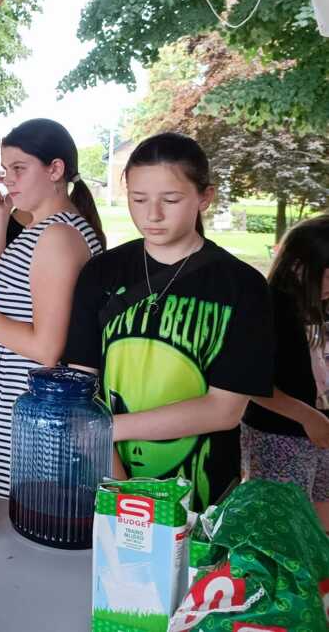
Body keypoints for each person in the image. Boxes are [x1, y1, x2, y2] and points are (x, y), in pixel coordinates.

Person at [64, 132, 273, 512]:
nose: (152, 214)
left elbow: (224, 410)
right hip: (110, 481)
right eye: (138, 199)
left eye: (171, 200)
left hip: (202, 498)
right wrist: (124, 493)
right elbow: (81, 389)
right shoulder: (100, 274)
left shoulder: (242, 286)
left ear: (204, 197)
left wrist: (109, 429)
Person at [0, 119, 104, 498]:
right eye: (5, 170)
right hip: (0, 390)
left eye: (19, 169)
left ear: (55, 170)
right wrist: (1, 218)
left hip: (23, 400)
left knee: (9, 510)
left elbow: (47, 349)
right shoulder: (41, 228)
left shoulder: (59, 237)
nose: (9, 180)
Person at [240, 213, 329, 529]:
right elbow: (251, 383)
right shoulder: (269, 307)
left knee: (318, 525)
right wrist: (309, 417)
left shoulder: (317, 303)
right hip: (278, 436)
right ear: (298, 267)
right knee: (283, 526)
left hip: (319, 434)